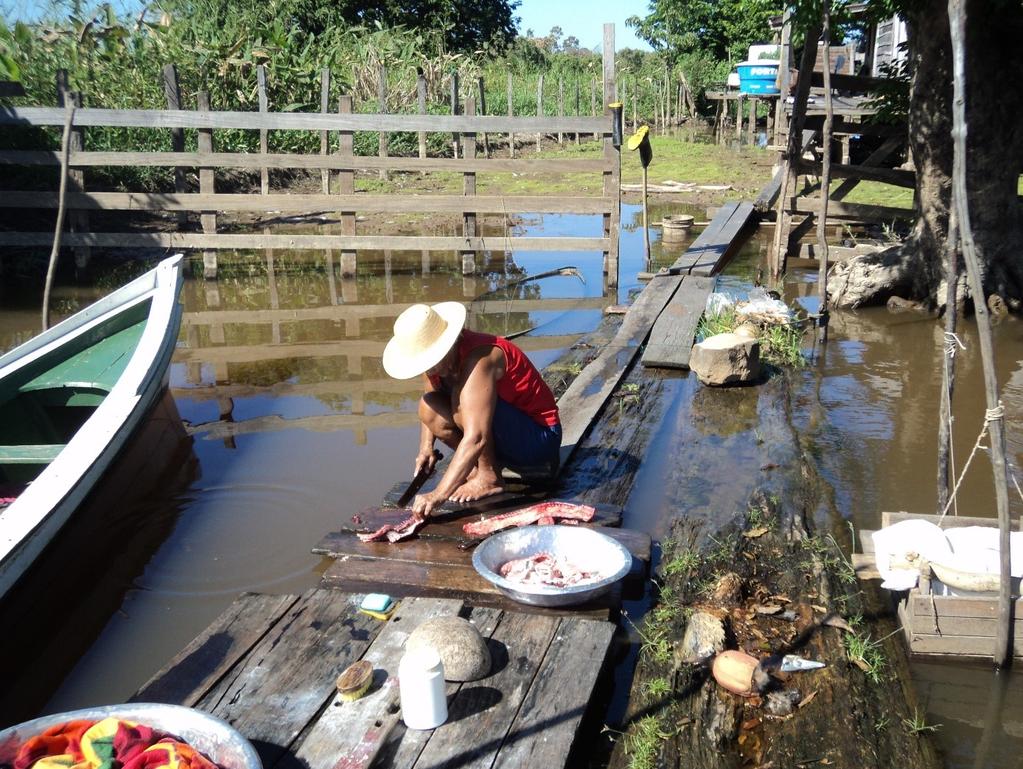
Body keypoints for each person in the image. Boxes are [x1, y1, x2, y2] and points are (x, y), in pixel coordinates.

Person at [382, 302, 561, 519]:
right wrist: (426, 448)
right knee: (429, 406)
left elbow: (476, 437)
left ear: (449, 342)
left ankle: (489, 477)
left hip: (538, 438)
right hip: (501, 433)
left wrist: (437, 495)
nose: (430, 369)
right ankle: (479, 468)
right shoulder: (433, 366)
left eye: (432, 360)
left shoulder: (481, 357)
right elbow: (431, 401)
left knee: (461, 401)